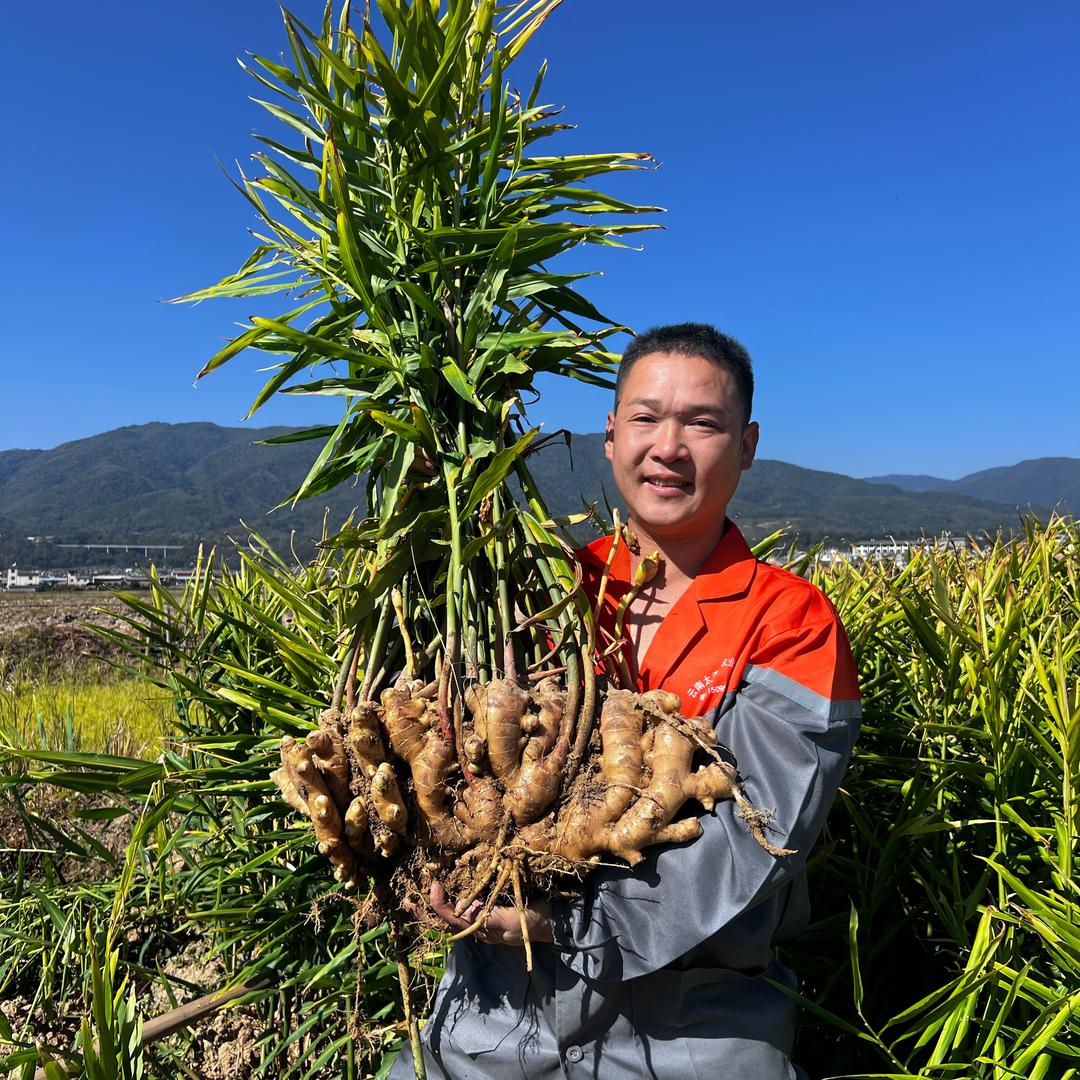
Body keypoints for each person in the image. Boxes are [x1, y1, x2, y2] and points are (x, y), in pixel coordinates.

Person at [392, 323, 862, 1079]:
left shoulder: (792, 622)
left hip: (696, 1032)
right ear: (610, 437)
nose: (668, 447)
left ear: (746, 444)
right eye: (645, 418)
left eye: (702, 423)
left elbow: (756, 840)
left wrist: (564, 922)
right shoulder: (536, 596)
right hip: (488, 1020)